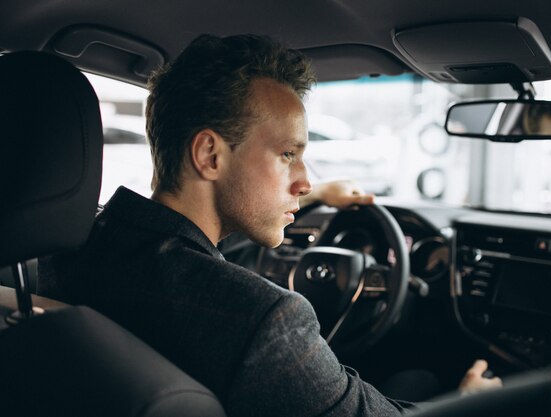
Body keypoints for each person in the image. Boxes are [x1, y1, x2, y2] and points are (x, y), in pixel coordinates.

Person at [40, 34, 501, 416]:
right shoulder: (268, 320)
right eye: (287, 155)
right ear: (210, 155)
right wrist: (469, 405)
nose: (305, 181)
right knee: (420, 379)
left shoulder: (66, 254)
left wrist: (319, 197)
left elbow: (193, 261)